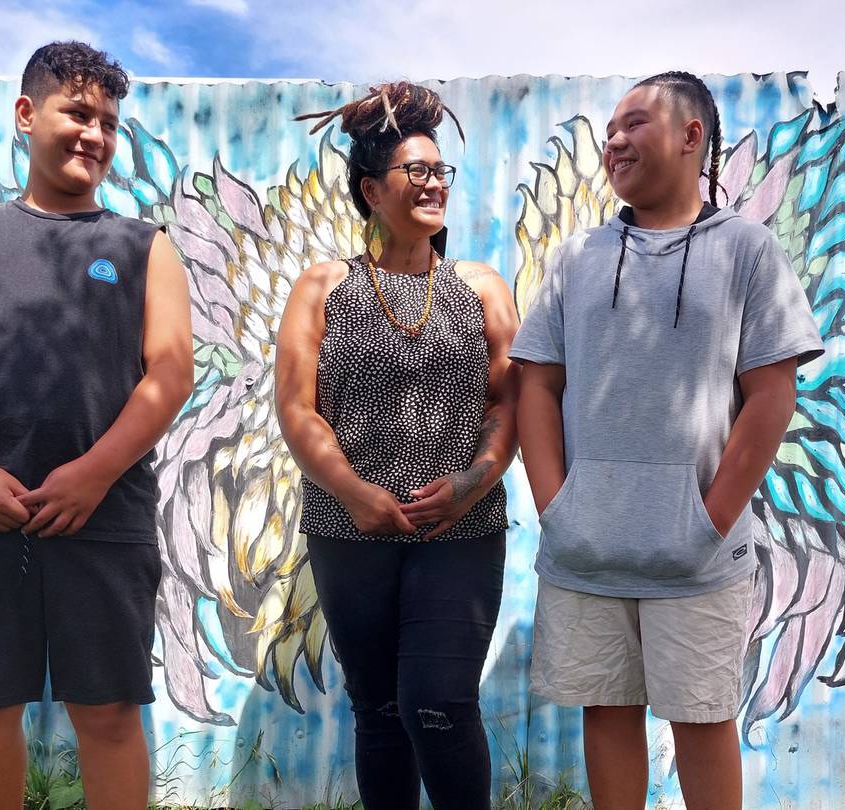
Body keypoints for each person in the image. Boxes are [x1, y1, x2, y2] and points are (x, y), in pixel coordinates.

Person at [511, 71, 824, 810]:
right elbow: (536, 387)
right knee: (607, 710)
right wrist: (559, 508)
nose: (614, 140)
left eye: (635, 123)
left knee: (703, 719)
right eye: (609, 129)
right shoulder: (576, 257)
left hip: (699, 560)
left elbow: (772, 396)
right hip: (585, 552)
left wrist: (708, 521)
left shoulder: (747, 252)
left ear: (692, 136)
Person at [0, 40, 193, 809]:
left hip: (107, 514)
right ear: (28, 115)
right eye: (77, 112)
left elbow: (169, 375)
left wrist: (93, 474)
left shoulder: (143, 248)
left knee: (106, 710)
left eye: (108, 121)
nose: (95, 134)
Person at [276, 81, 519, 810]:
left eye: (441, 172)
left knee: (439, 705)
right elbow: (297, 409)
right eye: (418, 172)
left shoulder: (480, 288)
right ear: (371, 190)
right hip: (348, 529)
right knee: (378, 714)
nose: (435, 184)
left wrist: (474, 481)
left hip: (462, 527)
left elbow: (508, 402)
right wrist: (355, 493)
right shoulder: (324, 285)